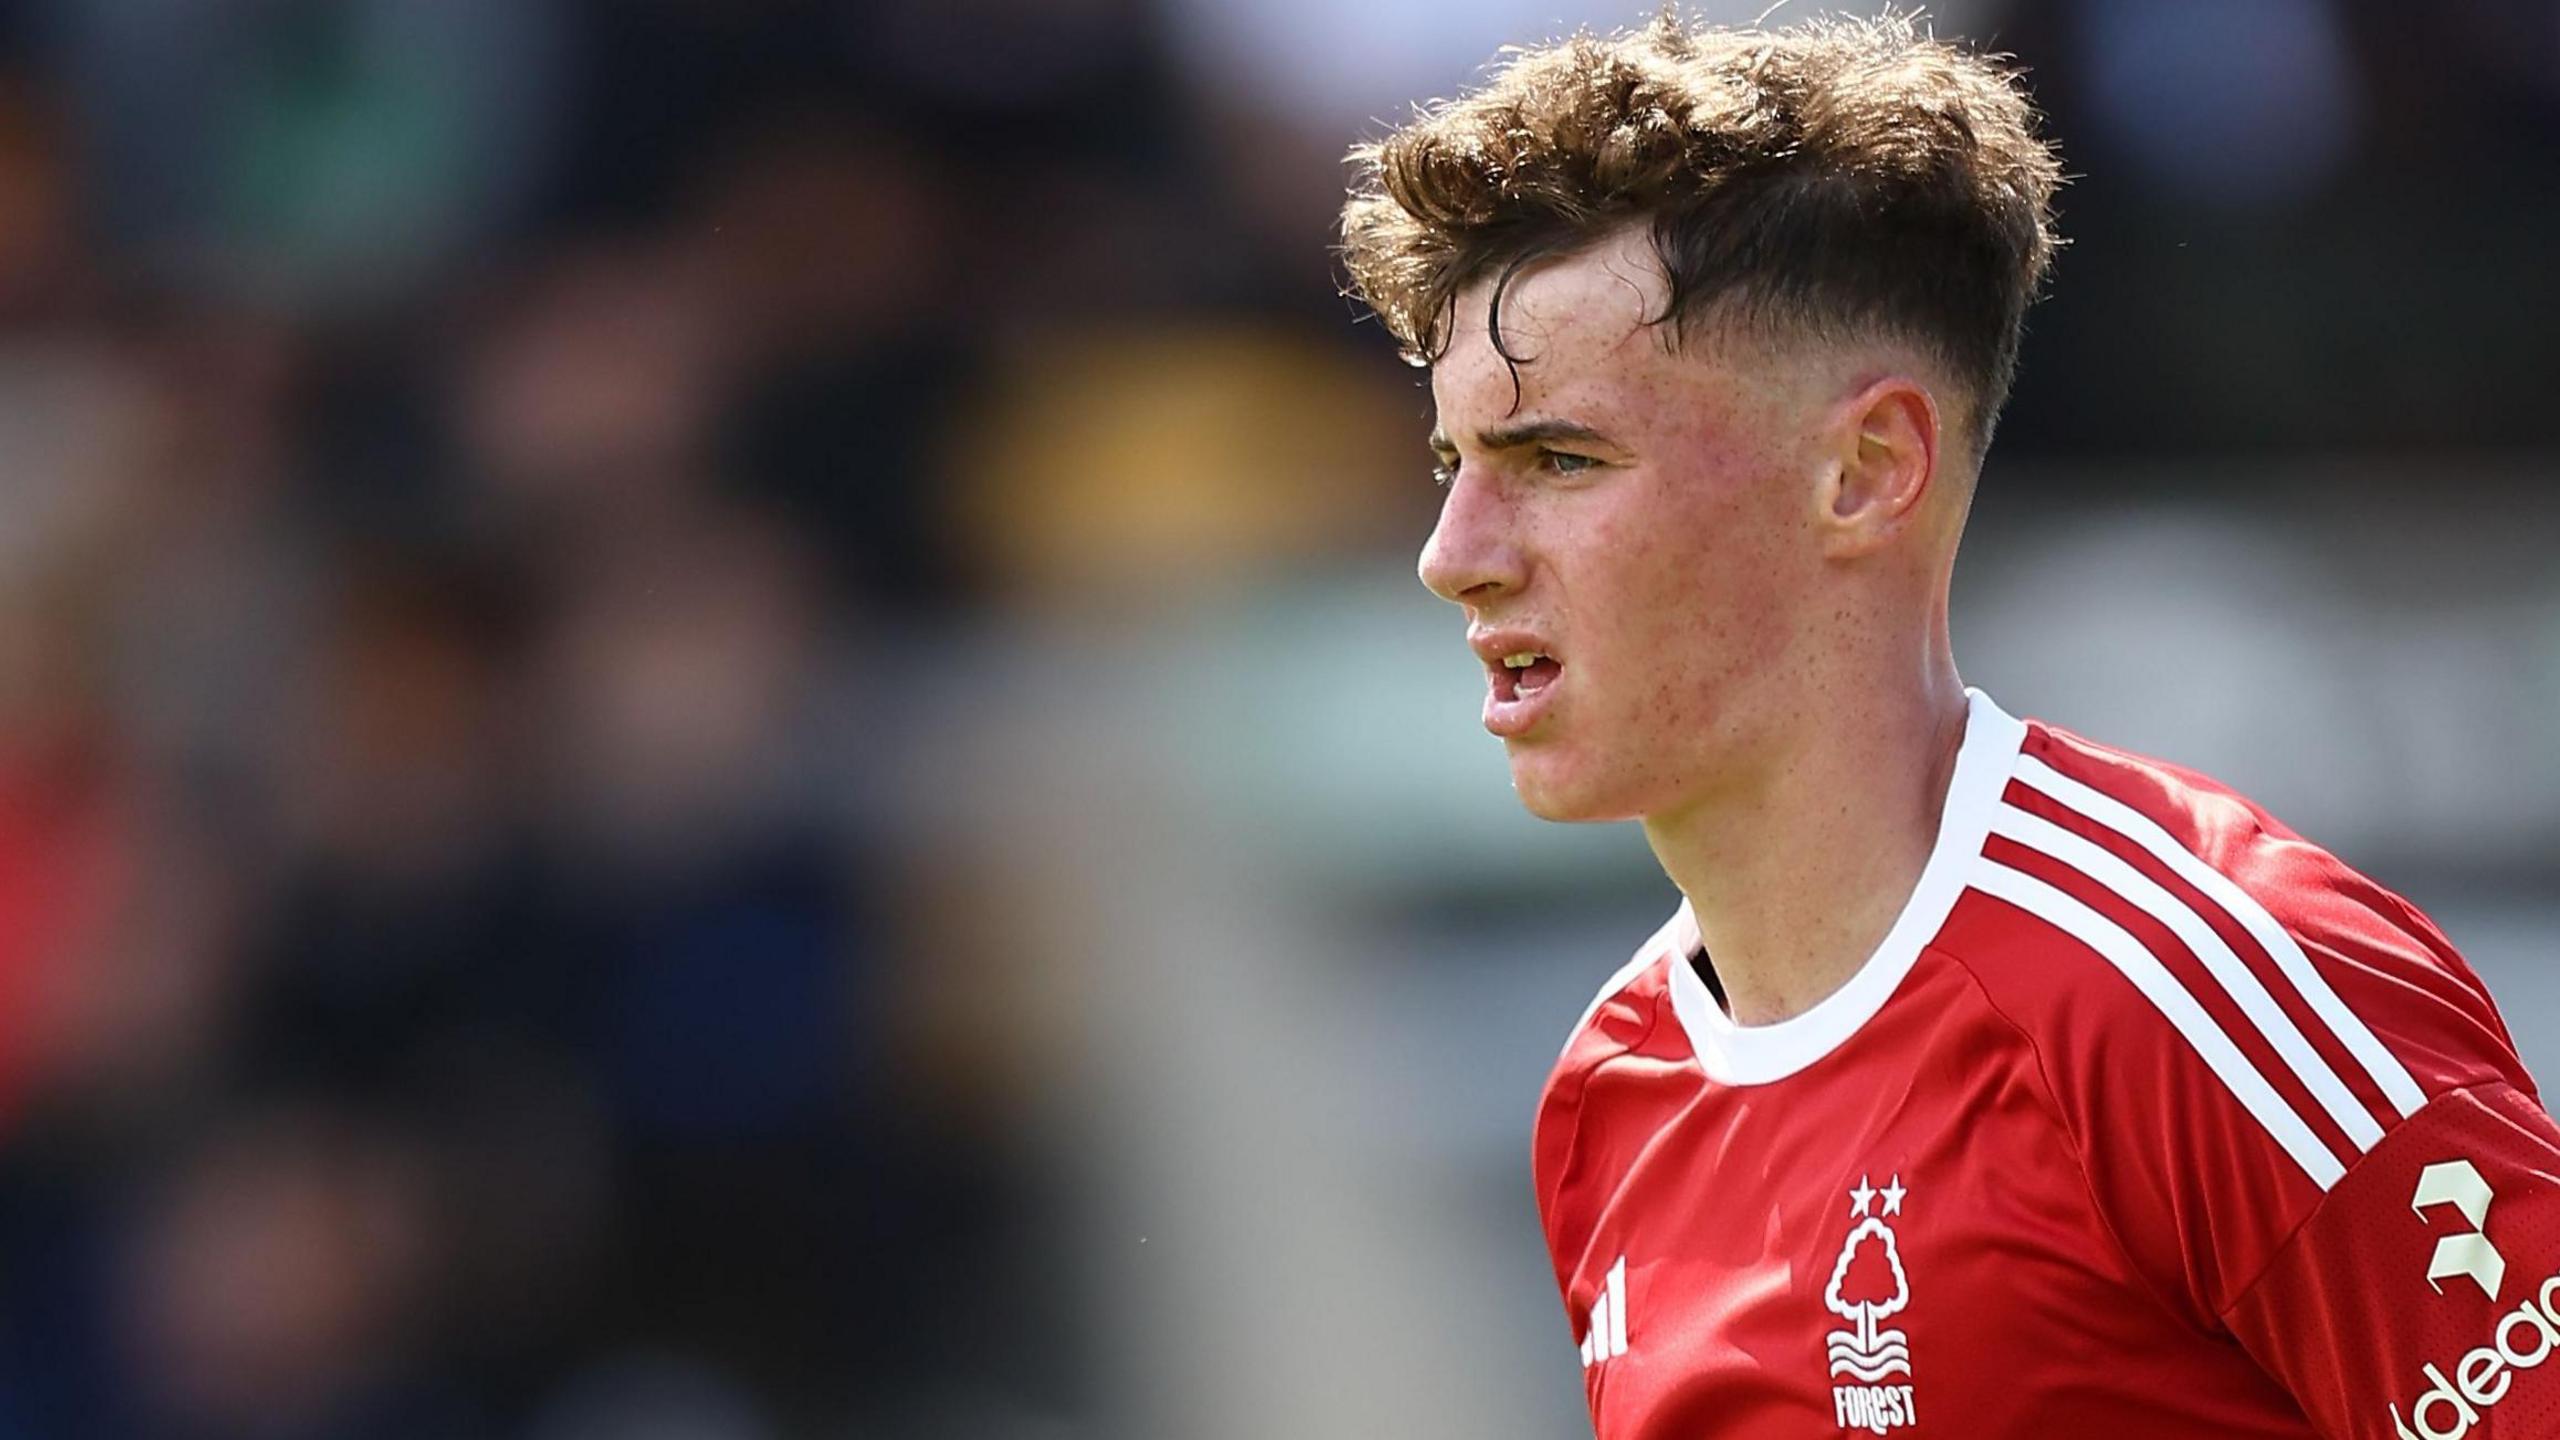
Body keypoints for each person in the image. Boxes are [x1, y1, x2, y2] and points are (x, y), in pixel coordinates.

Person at [1338, 13, 2560, 1439]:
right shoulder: (1610, 1091)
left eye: (1558, 457)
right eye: (1452, 464)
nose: (1454, 551)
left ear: (1867, 469)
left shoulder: (2191, 985)